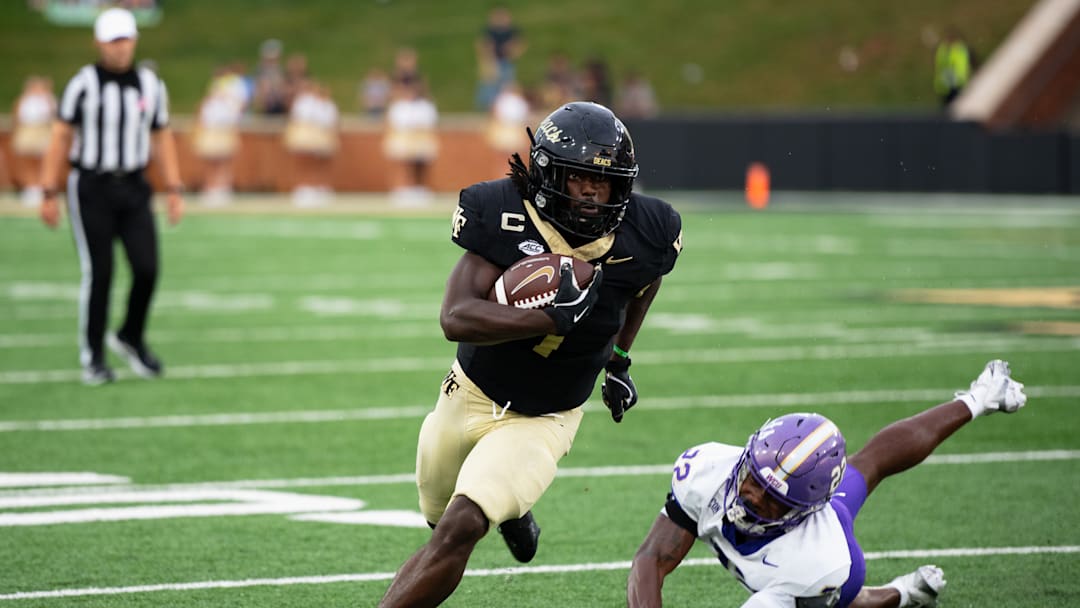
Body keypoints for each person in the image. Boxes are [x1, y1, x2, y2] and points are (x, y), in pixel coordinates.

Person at [378, 101, 683, 607]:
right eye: (579, 179)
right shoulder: (500, 211)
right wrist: (545, 318)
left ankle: (499, 502)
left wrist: (619, 359)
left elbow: (645, 285)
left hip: (547, 416)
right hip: (469, 393)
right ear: (547, 174)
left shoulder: (648, 233)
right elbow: (455, 316)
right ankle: (514, 513)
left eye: (602, 183)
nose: (591, 192)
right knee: (436, 514)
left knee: (459, 527)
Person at [627, 359, 1028, 608]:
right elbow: (651, 561)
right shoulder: (708, 468)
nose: (750, 496)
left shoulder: (820, 561)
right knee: (869, 464)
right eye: (753, 479)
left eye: (771, 501)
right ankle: (980, 398)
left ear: (804, 511)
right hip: (798, 558)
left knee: (854, 601)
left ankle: (900, 595)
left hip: (823, 578)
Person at [38, 7, 184, 386]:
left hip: (135, 187)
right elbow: (61, 136)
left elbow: (162, 135)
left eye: (127, 39)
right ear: (100, 43)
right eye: (114, 40)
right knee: (100, 273)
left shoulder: (151, 85)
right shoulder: (83, 83)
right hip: (91, 186)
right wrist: (48, 190)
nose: (121, 48)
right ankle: (94, 357)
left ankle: (130, 336)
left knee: (148, 269)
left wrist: (174, 187)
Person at [10, 75, 56, 207]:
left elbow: (53, 115)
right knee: (27, 162)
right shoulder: (23, 100)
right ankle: (30, 187)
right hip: (27, 132)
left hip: (42, 132)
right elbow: (17, 116)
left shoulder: (48, 99)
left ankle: (42, 187)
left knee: (43, 162)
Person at [474, 6, 526, 111]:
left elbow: (520, 44)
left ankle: (504, 108)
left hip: (506, 62)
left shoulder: (511, 31)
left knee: (506, 86)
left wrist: (513, 52)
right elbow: (482, 45)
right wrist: (488, 62)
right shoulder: (490, 31)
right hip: (493, 61)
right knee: (490, 86)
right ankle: (487, 108)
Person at [934, 27, 975, 107]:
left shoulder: (962, 49)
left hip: (959, 85)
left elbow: (972, 62)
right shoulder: (942, 50)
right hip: (945, 86)